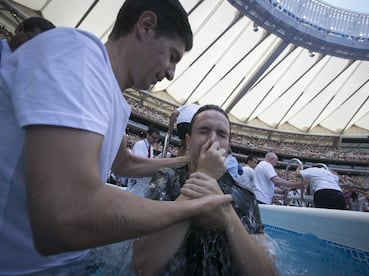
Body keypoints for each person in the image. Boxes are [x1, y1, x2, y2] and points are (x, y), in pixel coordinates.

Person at [0, 1, 232, 274]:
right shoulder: (79, 55)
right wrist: (192, 206)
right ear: (146, 26)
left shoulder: (114, 99)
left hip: (68, 263)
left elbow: (125, 164)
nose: (171, 72)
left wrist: (183, 161)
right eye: (172, 56)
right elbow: (64, 217)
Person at [132, 105, 278, 275]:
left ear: (227, 145)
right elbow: (142, 265)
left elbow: (268, 272)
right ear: (188, 140)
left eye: (221, 134)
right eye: (203, 131)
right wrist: (204, 175)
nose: (212, 140)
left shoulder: (244, 195)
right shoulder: (166, 179)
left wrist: (228, 216)